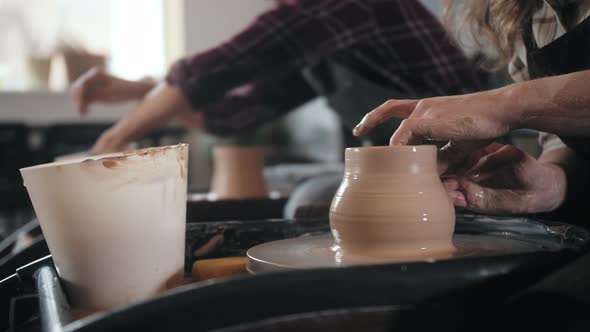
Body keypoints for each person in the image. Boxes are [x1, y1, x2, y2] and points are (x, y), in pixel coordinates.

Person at [72, 0, 481, 155]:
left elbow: (207, 72)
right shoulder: (320, 40)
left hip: (475, 158)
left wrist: (114, 138)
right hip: (415, 171)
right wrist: (138, 92)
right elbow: (233, 115)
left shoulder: (340, 8)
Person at [353, 0, 590, 216]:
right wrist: (557, 181)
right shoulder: (530, 13)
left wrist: (504, 106)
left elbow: (516, 107)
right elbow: (561, 133)